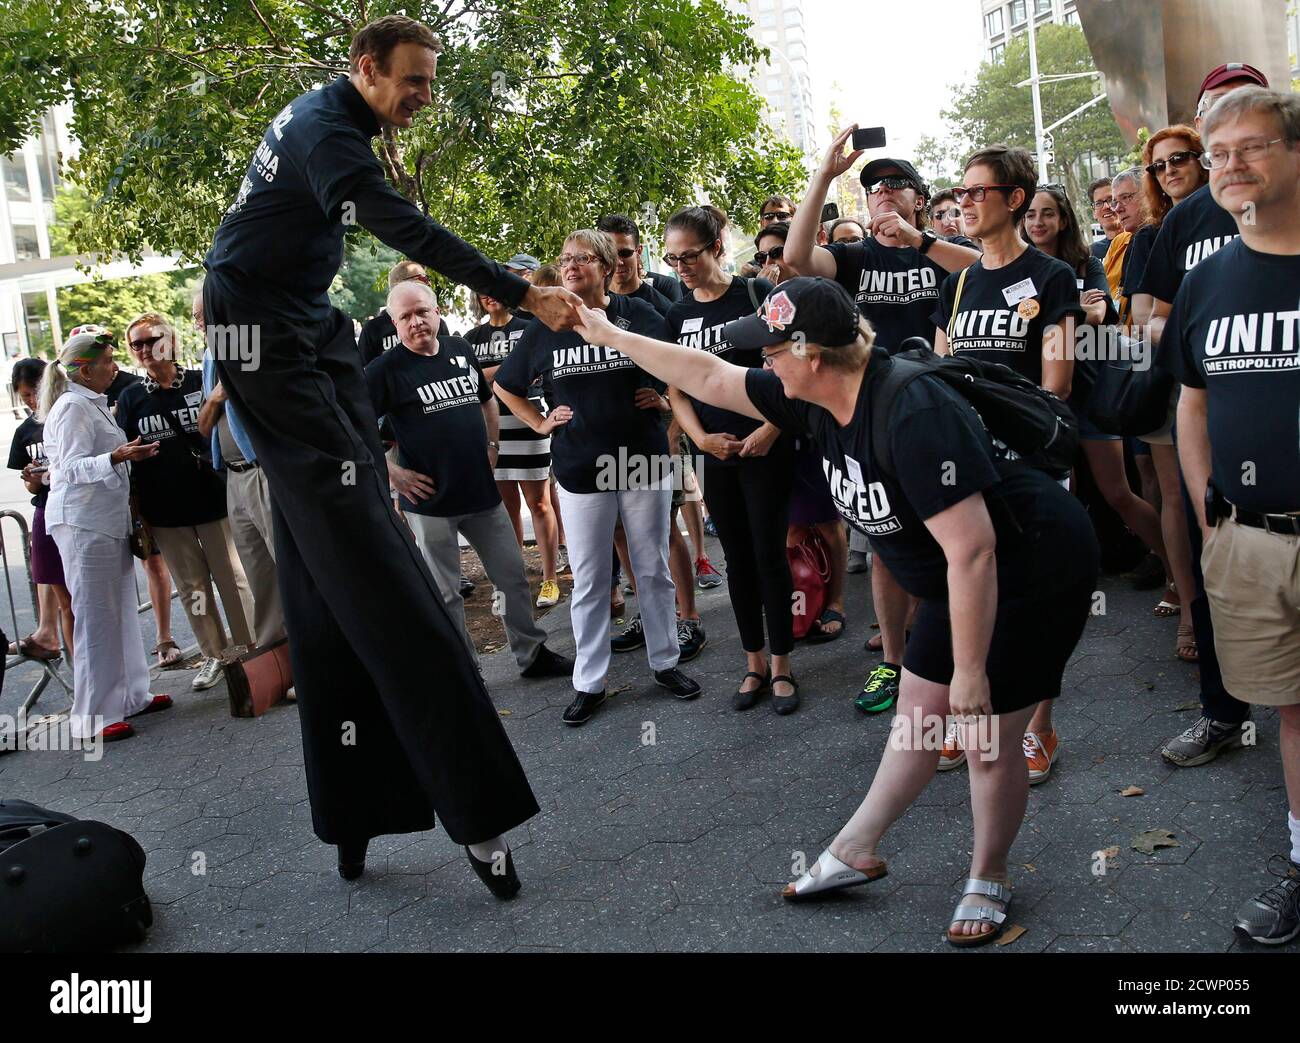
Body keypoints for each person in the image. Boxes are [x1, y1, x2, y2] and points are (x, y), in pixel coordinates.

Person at [571, 276, 1097, 945]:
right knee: (916, 718)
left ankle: (988, 874)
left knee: (983, 736)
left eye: (771, 349)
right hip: (960, 578)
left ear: (812, 353)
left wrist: (969, 674)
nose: (761, 362)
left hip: (1029, 572)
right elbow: (709, 374)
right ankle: (857, 847)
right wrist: (612, 336)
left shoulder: (909, 408)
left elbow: (974, 551)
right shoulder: (812, 399)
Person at [202, 14, 580, 892]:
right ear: (365, 68)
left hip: (308, 320)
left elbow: (251, 226)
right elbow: (405, 232)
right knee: (376, 561)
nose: (422, 97)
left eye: (429, 82)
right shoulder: (332, 133)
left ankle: (352, 807)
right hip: (259, 332)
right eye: (411, 80)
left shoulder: (326, 118)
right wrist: (519, 291)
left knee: (319, 568)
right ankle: (478, 812)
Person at [785, 131, 983, 717]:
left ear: (920, 198)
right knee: (885, 547)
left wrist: (920, 241)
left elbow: (985, 269)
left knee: (950, 542)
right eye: (873, 188)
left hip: (933, 409)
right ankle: (894, 660)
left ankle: (946, 649)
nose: (883, 195)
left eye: (896, 185)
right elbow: (798, 259)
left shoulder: (940, 251)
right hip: (866, 410)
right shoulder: (854, 257)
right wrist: (824, 175)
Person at [1169, 86, 1300, 944]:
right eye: (1217, 156)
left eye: (1250, 147)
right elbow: (1191, 402)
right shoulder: (1207, 281)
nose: (1229, 167)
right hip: (1253, 540)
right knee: (1294, 710)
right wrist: (1211, 515)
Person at [494, 228, 701, 726]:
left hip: (642, 458)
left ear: (607, 268)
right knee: (589, 579)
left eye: (584, 258)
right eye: (565, 258)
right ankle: (591, 681)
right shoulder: (543, 325)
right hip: (580, 465)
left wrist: (667, 402)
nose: (571, 266)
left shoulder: (640, 317)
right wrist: (540, 423)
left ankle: (665, 662)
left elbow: (680, 368)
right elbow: (506, 386)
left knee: (650, 569)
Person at [936, 145, 1085, 786]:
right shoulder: (960, 281)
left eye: (978, 192)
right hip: (966, 463)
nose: (964, 202)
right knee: (966, 585)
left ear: (1014, 200)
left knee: (1036, 595)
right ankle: (967, 716)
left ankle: (1038, 726)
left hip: (1029, 461)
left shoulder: (1051, 279)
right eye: (961, 193)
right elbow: (937, 374)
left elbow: (1059, 381)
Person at [1139, 63, 1270, 771]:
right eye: (1214, 121)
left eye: (1243, 118)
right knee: (1219, 571)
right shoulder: (1187, 219)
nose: (1229, 144)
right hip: (1210, 430)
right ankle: (1222, 711)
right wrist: (1195, 331)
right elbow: (1155, 316)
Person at [365, 280, 573, 679]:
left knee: (512, 577)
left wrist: (493, 444)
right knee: (446, 595)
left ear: (437, 312)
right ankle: (465, 672)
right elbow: (355, 430)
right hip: (430, 503)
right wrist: (393, 473)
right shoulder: (383, 372)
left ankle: (532, 655)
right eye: (405, 317)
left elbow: (487, 397)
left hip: (481, 493)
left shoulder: (460, 351)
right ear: (394, 324)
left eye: (422, 311)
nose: (416, 322)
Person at [661, 205, 798, 713]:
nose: (682, 267)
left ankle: (783, 665)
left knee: (769, 556)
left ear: (717, 246)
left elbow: (794, 373)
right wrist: (699, 438)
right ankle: (754, 662)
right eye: (673, 259)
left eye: (690, 256)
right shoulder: (676, 315)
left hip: (766, 447)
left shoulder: (757, 296)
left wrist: (770, 429)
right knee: (736, 561)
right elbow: (675, 389)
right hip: (714, 454)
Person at [1023, 185, 1174, 648]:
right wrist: (1070, 316)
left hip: (1086, 392)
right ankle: (1056, 587)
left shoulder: (1082, 263)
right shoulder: (1014, 266)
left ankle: (1178, 572)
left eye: (1048, 214)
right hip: (1036, 396)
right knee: (1049, 499)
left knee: (1118, 493)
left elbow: (1102, 314)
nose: (1039, 223)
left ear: (1064, 220)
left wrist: (1064, 317)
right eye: (1030, 215)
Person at [37, 329, 171, 742]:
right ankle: (93, 715)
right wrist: (116, 456)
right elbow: (67, 470)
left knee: (119, 610)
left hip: (102, 520)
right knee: (96, 615)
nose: (115, 367)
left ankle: (131, 694)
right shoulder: (72, 408)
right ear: (84, 370)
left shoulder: (88, 403)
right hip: (82, 522)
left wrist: (125, 455)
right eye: (108, 361)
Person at [117, 313, 255, 691]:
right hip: (165, 511)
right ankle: (216, 655)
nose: (145, 349)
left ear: (170, 340)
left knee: (233, 578)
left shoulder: (199, 381)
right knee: (192, 587)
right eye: (137, 344)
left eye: (152, 340)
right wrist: (138, 512)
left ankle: (249, 650)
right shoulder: (131, 397)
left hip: (213, 498)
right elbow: (126, 458)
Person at [598, 213, 722, 594]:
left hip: (670, 424)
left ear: (639, 252)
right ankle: (653, 608)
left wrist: (671, 414)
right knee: (624, 528)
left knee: (677, 507)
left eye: (623, 252)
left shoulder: (665, 294)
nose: (617, 261)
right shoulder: (592, 306)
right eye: (607, 253)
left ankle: (694, 583)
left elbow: (682, 362)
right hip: (615, 439)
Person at [194, 289, 285, 651]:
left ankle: (320, 658)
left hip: (263, 470)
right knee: (258, 574)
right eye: (196, 317)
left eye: (204, 313)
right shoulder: (208, 356)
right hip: (233, 475)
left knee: (290, 568)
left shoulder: (249, 344)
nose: (200, 322)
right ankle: (274, 657)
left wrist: (221, 398)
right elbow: (204, 425)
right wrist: (216, 397)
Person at [463, 291, 562, 608]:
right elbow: (469, 379)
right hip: (491, 430)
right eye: (482, 293)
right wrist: (508, 368)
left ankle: (550, 579)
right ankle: (512, 580)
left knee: (540, 505)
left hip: (529, 424)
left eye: (494, 290)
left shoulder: (528, 326)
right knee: (506, 511)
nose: (490, 297)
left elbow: (530, 369)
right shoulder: (470, 337)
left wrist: (490, 373)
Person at [101, 347, 178, 667]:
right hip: (138, 497)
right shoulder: (88, 399)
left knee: (165, 568)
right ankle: (154, 645)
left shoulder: (129, 388)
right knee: (149, 566)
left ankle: (167, 640)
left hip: (184, 495)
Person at [6, 358, 73, 662]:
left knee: (87, 600)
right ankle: (82, 677)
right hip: (46, 512)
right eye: (25, 397)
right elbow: (31, 488)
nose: (33, 400)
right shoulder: (24, 432)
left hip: (79, 510)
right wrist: (32, 479)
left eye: (35, 391)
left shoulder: (71, 412)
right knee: (67, 602)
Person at [356, 260, 450, 367]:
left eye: (422, 312)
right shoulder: (373, 329)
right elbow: (364, 371)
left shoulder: (436, 323)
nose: (429, 283)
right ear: (401, 284)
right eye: (423, 278)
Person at [596, 214, 674, 314]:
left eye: (625, 253)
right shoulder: (590, 301)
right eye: (610, 254)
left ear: (639, 251)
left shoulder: (663, 304)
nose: (618, 262)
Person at [1087, 176, 1123, 260]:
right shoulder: (1090, 254)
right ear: (1094, 213)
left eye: (1111, 200)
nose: (1106, 206)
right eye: (1099, 203)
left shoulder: (1139, 242)